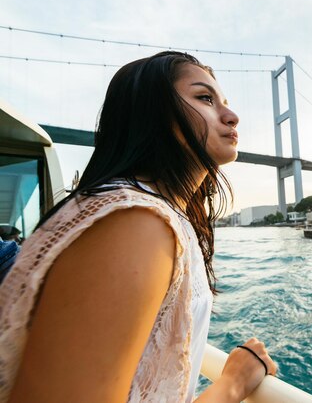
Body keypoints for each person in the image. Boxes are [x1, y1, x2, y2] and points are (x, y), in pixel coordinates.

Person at [0, 51, 277, 403]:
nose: (232, 116)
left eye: (224, 101)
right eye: (204, 98)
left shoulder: (153, 217)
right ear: (154, 113)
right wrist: (233, 384)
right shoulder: (135, 222)